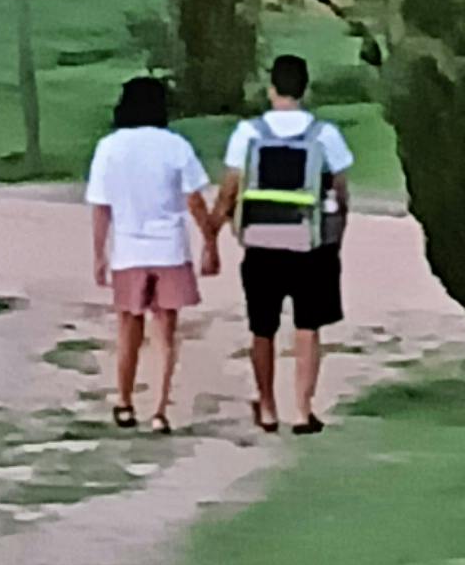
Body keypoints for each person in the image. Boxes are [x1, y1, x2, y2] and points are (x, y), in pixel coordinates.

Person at [211, 52, 352, 434]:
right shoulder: (325, 134)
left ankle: (268, 406)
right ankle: (303, 410)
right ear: (305, 89)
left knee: (263, 329)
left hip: (261, 242)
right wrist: (336, 236)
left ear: (271, 88)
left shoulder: (248, 133)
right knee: (308, 326)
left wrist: (216, 230)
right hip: (311, 243)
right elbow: (340, 194)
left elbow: (229, 189)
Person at [83, 73, 218, 432]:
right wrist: (210, 240)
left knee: (128, 328)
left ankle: (124, 402)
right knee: (165, 332)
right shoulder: (175, 145)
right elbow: (194, 200)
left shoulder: (109, 147)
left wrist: (99, 253)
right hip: (169, 248)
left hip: (128, 249)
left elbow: (101, 206)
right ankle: (159, 410)